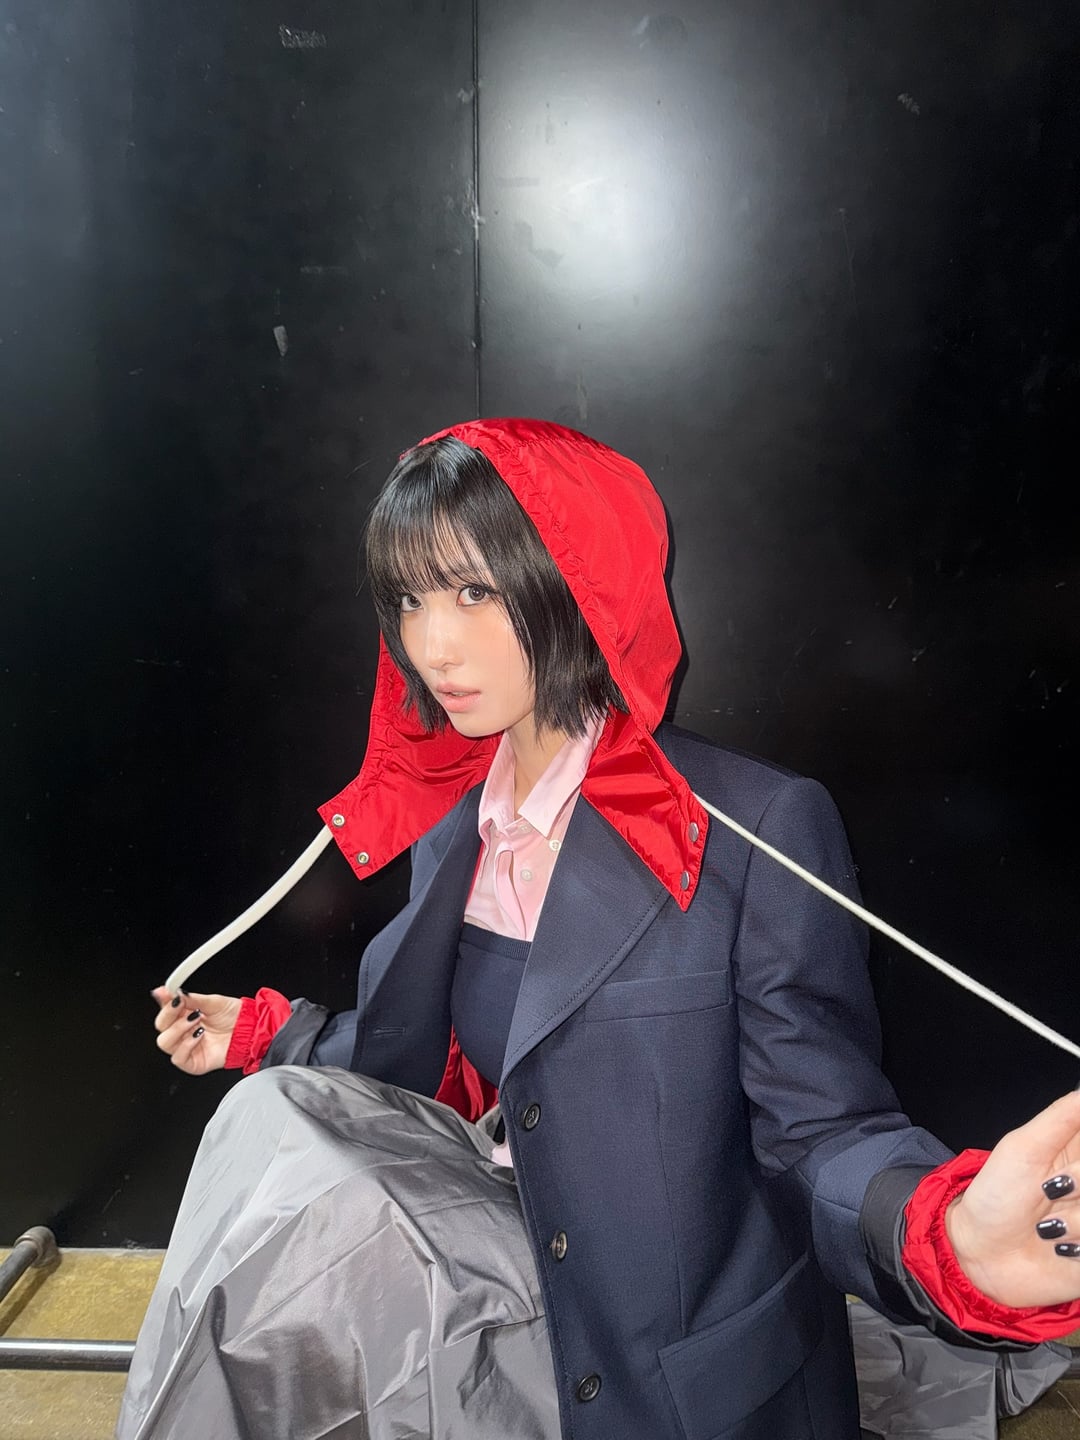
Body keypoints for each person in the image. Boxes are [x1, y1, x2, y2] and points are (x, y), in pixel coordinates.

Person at [118, 418, 1080, 1440]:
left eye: (475, 592)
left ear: (580, 581)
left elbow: (817, 1130)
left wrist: (945, 1235)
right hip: (515, 1347)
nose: (433, 645)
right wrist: (265, 1034)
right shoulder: (455, 833)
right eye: (408, 599)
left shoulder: (753, 828)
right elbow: (451, 1068)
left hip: (706, 1391)